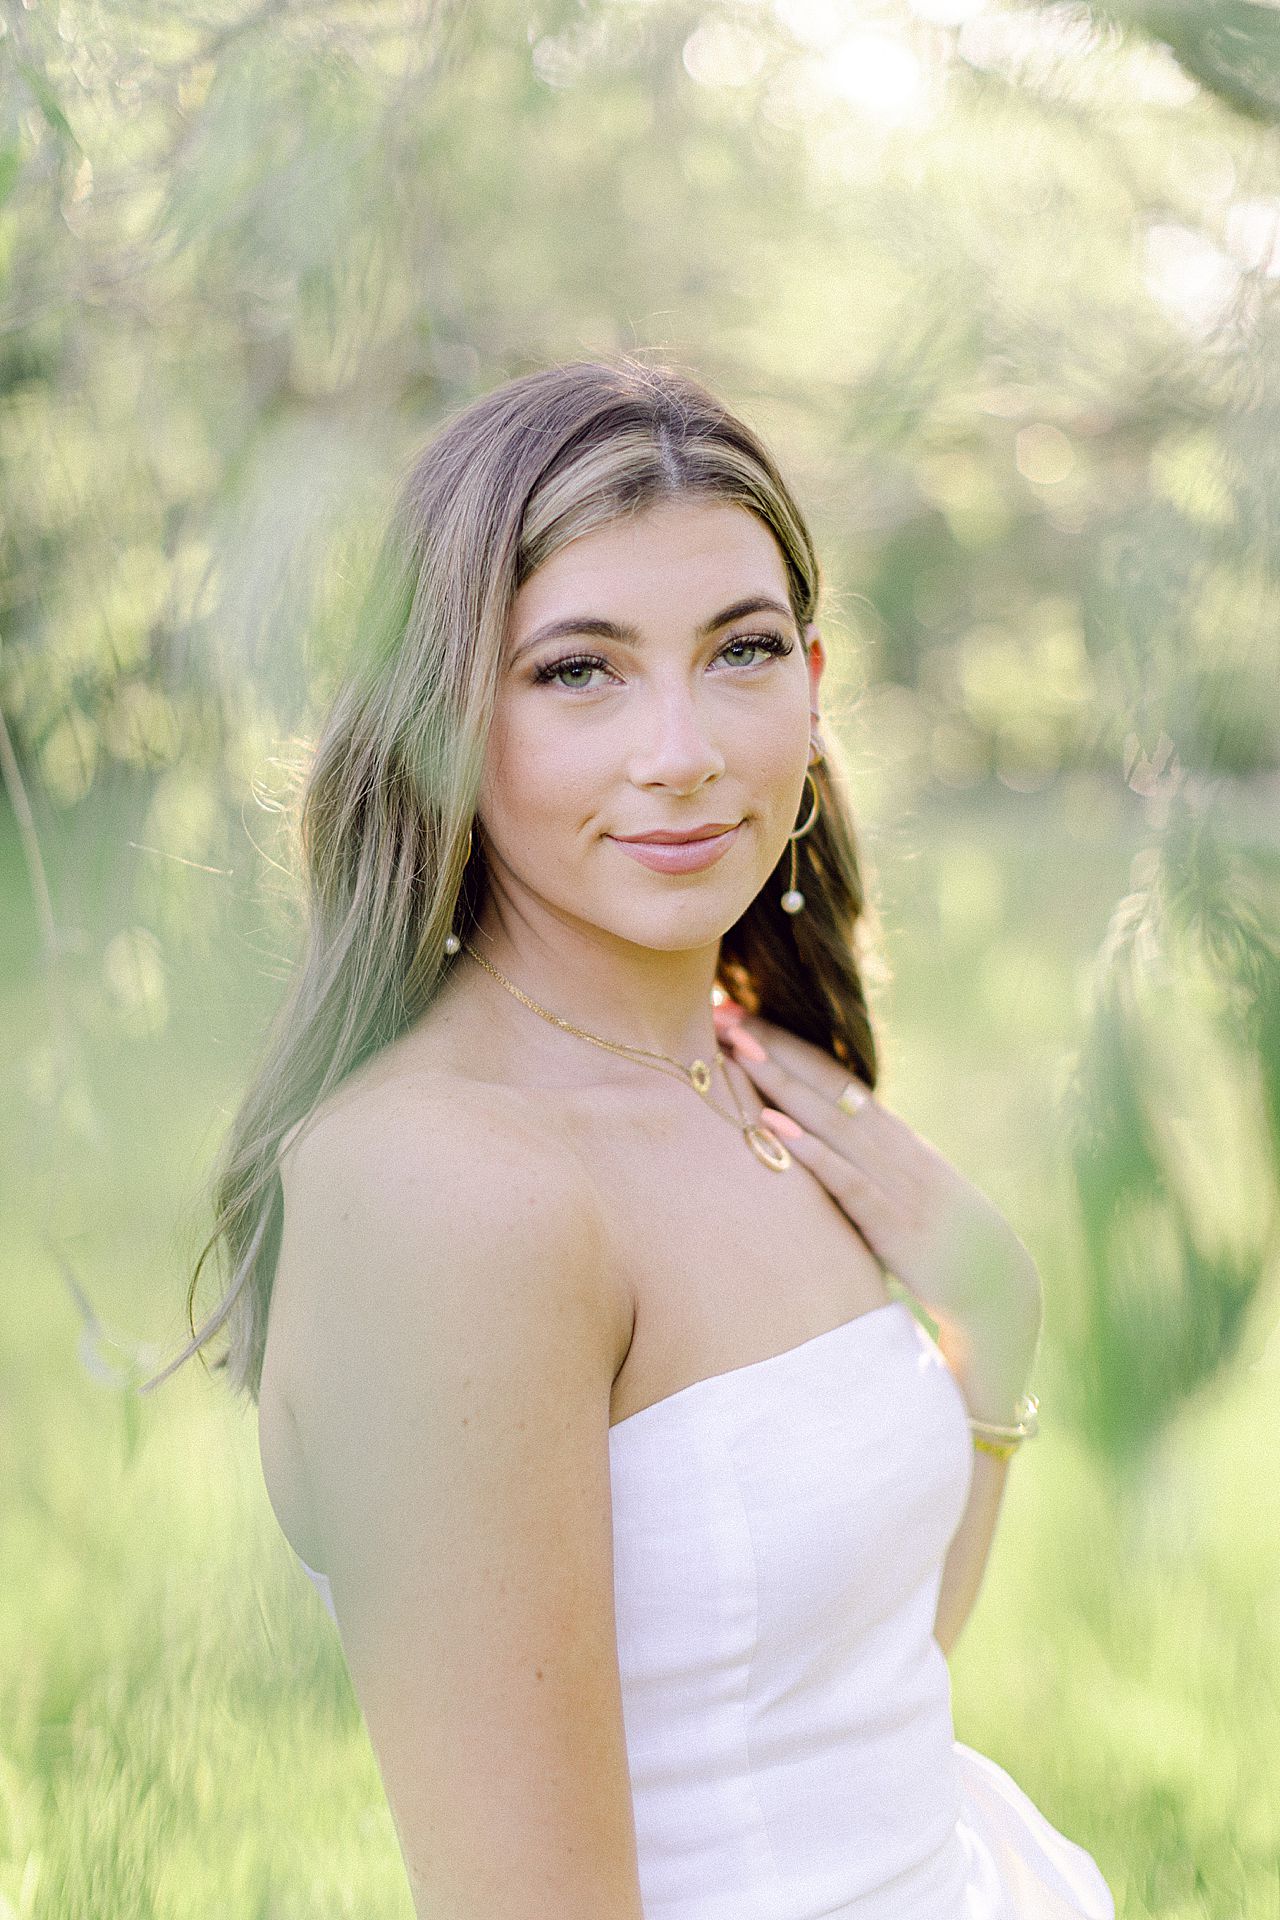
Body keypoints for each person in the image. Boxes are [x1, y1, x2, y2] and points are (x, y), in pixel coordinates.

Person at [146, 356, 1115, 1919]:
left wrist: (989, 1326)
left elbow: (842, 1702)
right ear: (444, 720)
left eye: (741, 653)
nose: (683, 750)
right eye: (578, 671)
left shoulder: (756, 1082)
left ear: (814, 680)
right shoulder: (442, 1189)